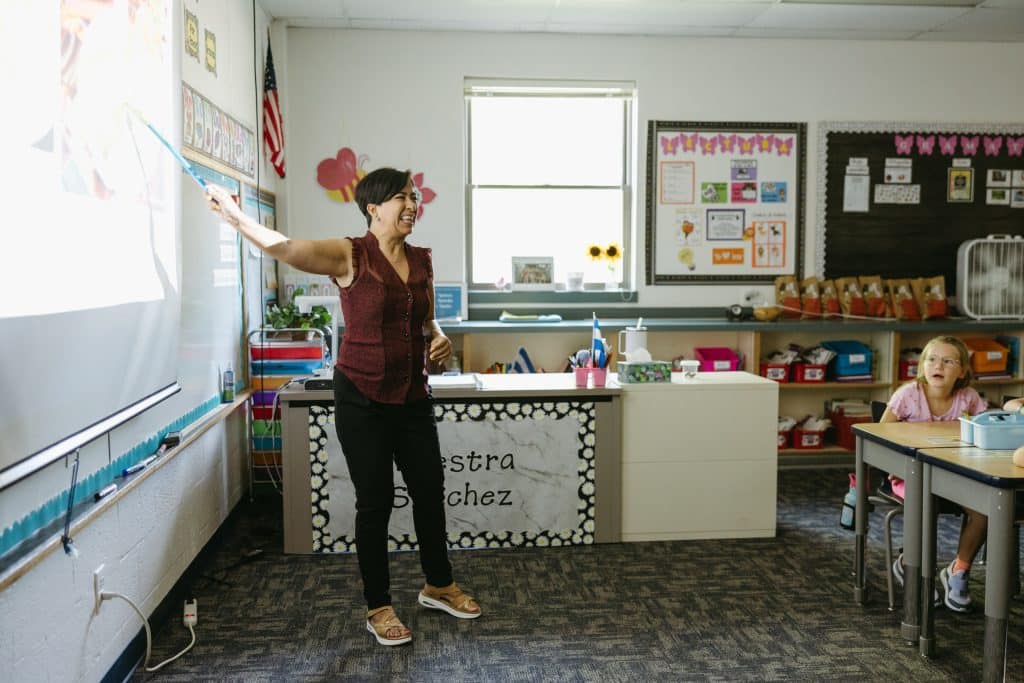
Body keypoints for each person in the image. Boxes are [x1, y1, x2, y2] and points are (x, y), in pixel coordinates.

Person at [206, 167, 480, 646]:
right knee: (375, 502)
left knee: (430, 492)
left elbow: (427, 320)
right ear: (373, 208)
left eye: (415, 198)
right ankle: (378, 607)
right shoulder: (349, 253)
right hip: (362, 398)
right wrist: (235, 217)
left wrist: (440, 340)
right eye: (401, 198)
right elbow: (284, 247)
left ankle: (438, 584)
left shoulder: (422, 260)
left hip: (413, 396)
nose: (412, 205)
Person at [880, 335, 988, 612]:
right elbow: (879, 436)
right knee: (924, 502)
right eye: (932, 359)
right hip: (910, 475)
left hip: (956, 475)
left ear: (962, 371)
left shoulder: (969, 398)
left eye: (948, 361)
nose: (938, 365)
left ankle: (958, 570)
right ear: (923, 366)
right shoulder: (908, 395)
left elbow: (986, 434)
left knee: (984, 509)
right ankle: (912, 566)